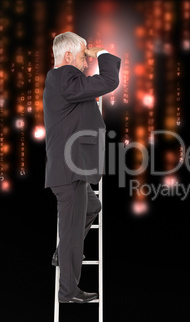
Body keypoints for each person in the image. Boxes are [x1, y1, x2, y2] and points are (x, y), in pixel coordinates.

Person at [43, 31, 120, 303]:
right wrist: (100, 53)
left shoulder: (63, 82)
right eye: (82, 57)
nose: (86, 63)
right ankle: (68, 292)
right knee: (72, 233)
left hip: (71, 169)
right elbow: (109, 80)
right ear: (66, 56)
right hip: (69, 171)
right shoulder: (64, 76)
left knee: (92, 207)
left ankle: (62, 251)